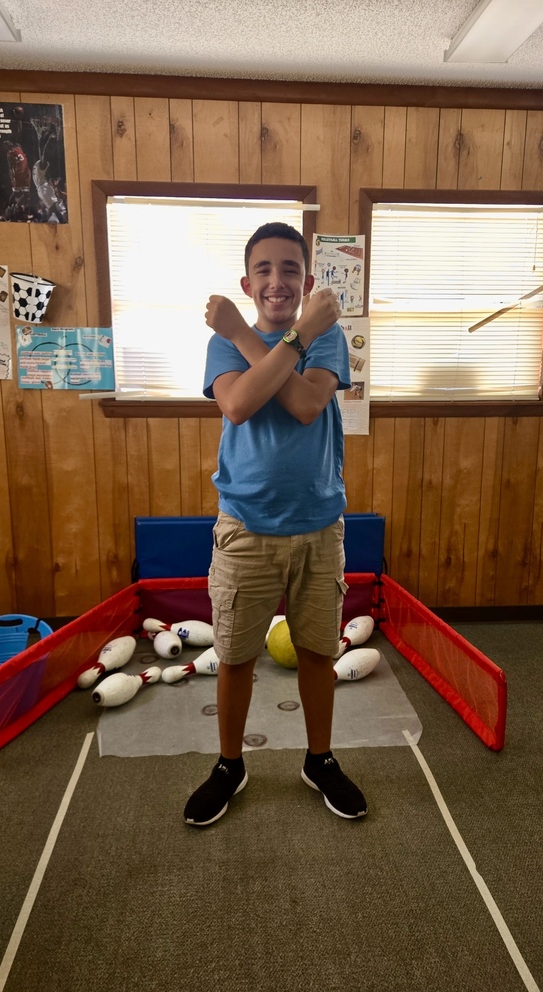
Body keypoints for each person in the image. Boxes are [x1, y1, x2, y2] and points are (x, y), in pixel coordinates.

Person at [183, 221, 367, 827]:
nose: (277, 280)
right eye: (264, 269)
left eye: (290, 268)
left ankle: (320, 758)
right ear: (247, 280)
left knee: (317, 650)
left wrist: (258, 331)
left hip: (319, 524)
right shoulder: (224, 343)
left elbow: (307, 404)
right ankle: (230, 764)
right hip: (246, 527)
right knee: (236, 656)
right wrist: (246, 332)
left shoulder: (327, 338)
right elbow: (239, 403)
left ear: (308, 280)